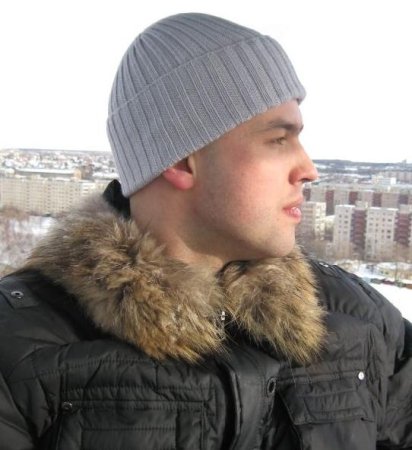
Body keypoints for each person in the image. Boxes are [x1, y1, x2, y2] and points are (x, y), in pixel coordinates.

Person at [0, 13, 411, 450]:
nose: (308, 169)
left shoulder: (358, 320)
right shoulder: (18, 350)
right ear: (181, 161)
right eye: (279, 139)